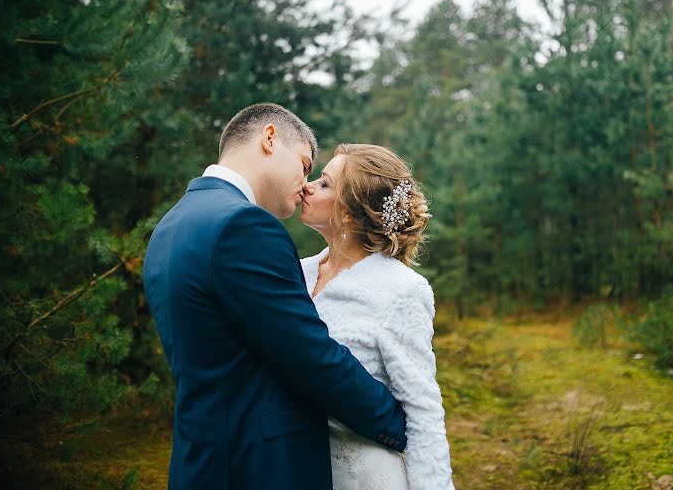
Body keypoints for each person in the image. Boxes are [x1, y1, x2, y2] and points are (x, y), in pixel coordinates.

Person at [143, 104, 406, 489]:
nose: (305, 184)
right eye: (303, 164)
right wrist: (395, 422)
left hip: (201, 459)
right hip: (258, 466)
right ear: (269, 139)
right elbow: (308, 354)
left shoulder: (172, 224)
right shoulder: (243, 225)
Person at [300, 143, 454, 489]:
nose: (307, 185)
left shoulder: (400, 290)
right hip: (297, 466)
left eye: (324, 183)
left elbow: (421, 407)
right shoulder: (298, 273)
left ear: (351, 214)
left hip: (363, 474)